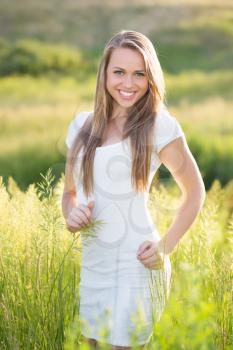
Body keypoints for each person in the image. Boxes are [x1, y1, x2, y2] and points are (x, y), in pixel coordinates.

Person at [62, 30, 206, 350]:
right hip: (94, 267)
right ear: (104, 73)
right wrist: (71, 215)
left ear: (150, 77)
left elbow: (195, 192)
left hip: (138, 266)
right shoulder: (80, 126)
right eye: (119, 72)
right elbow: (69, 193)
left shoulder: (158, 126)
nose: (129, 83)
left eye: (139, 74)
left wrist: (165, 246)